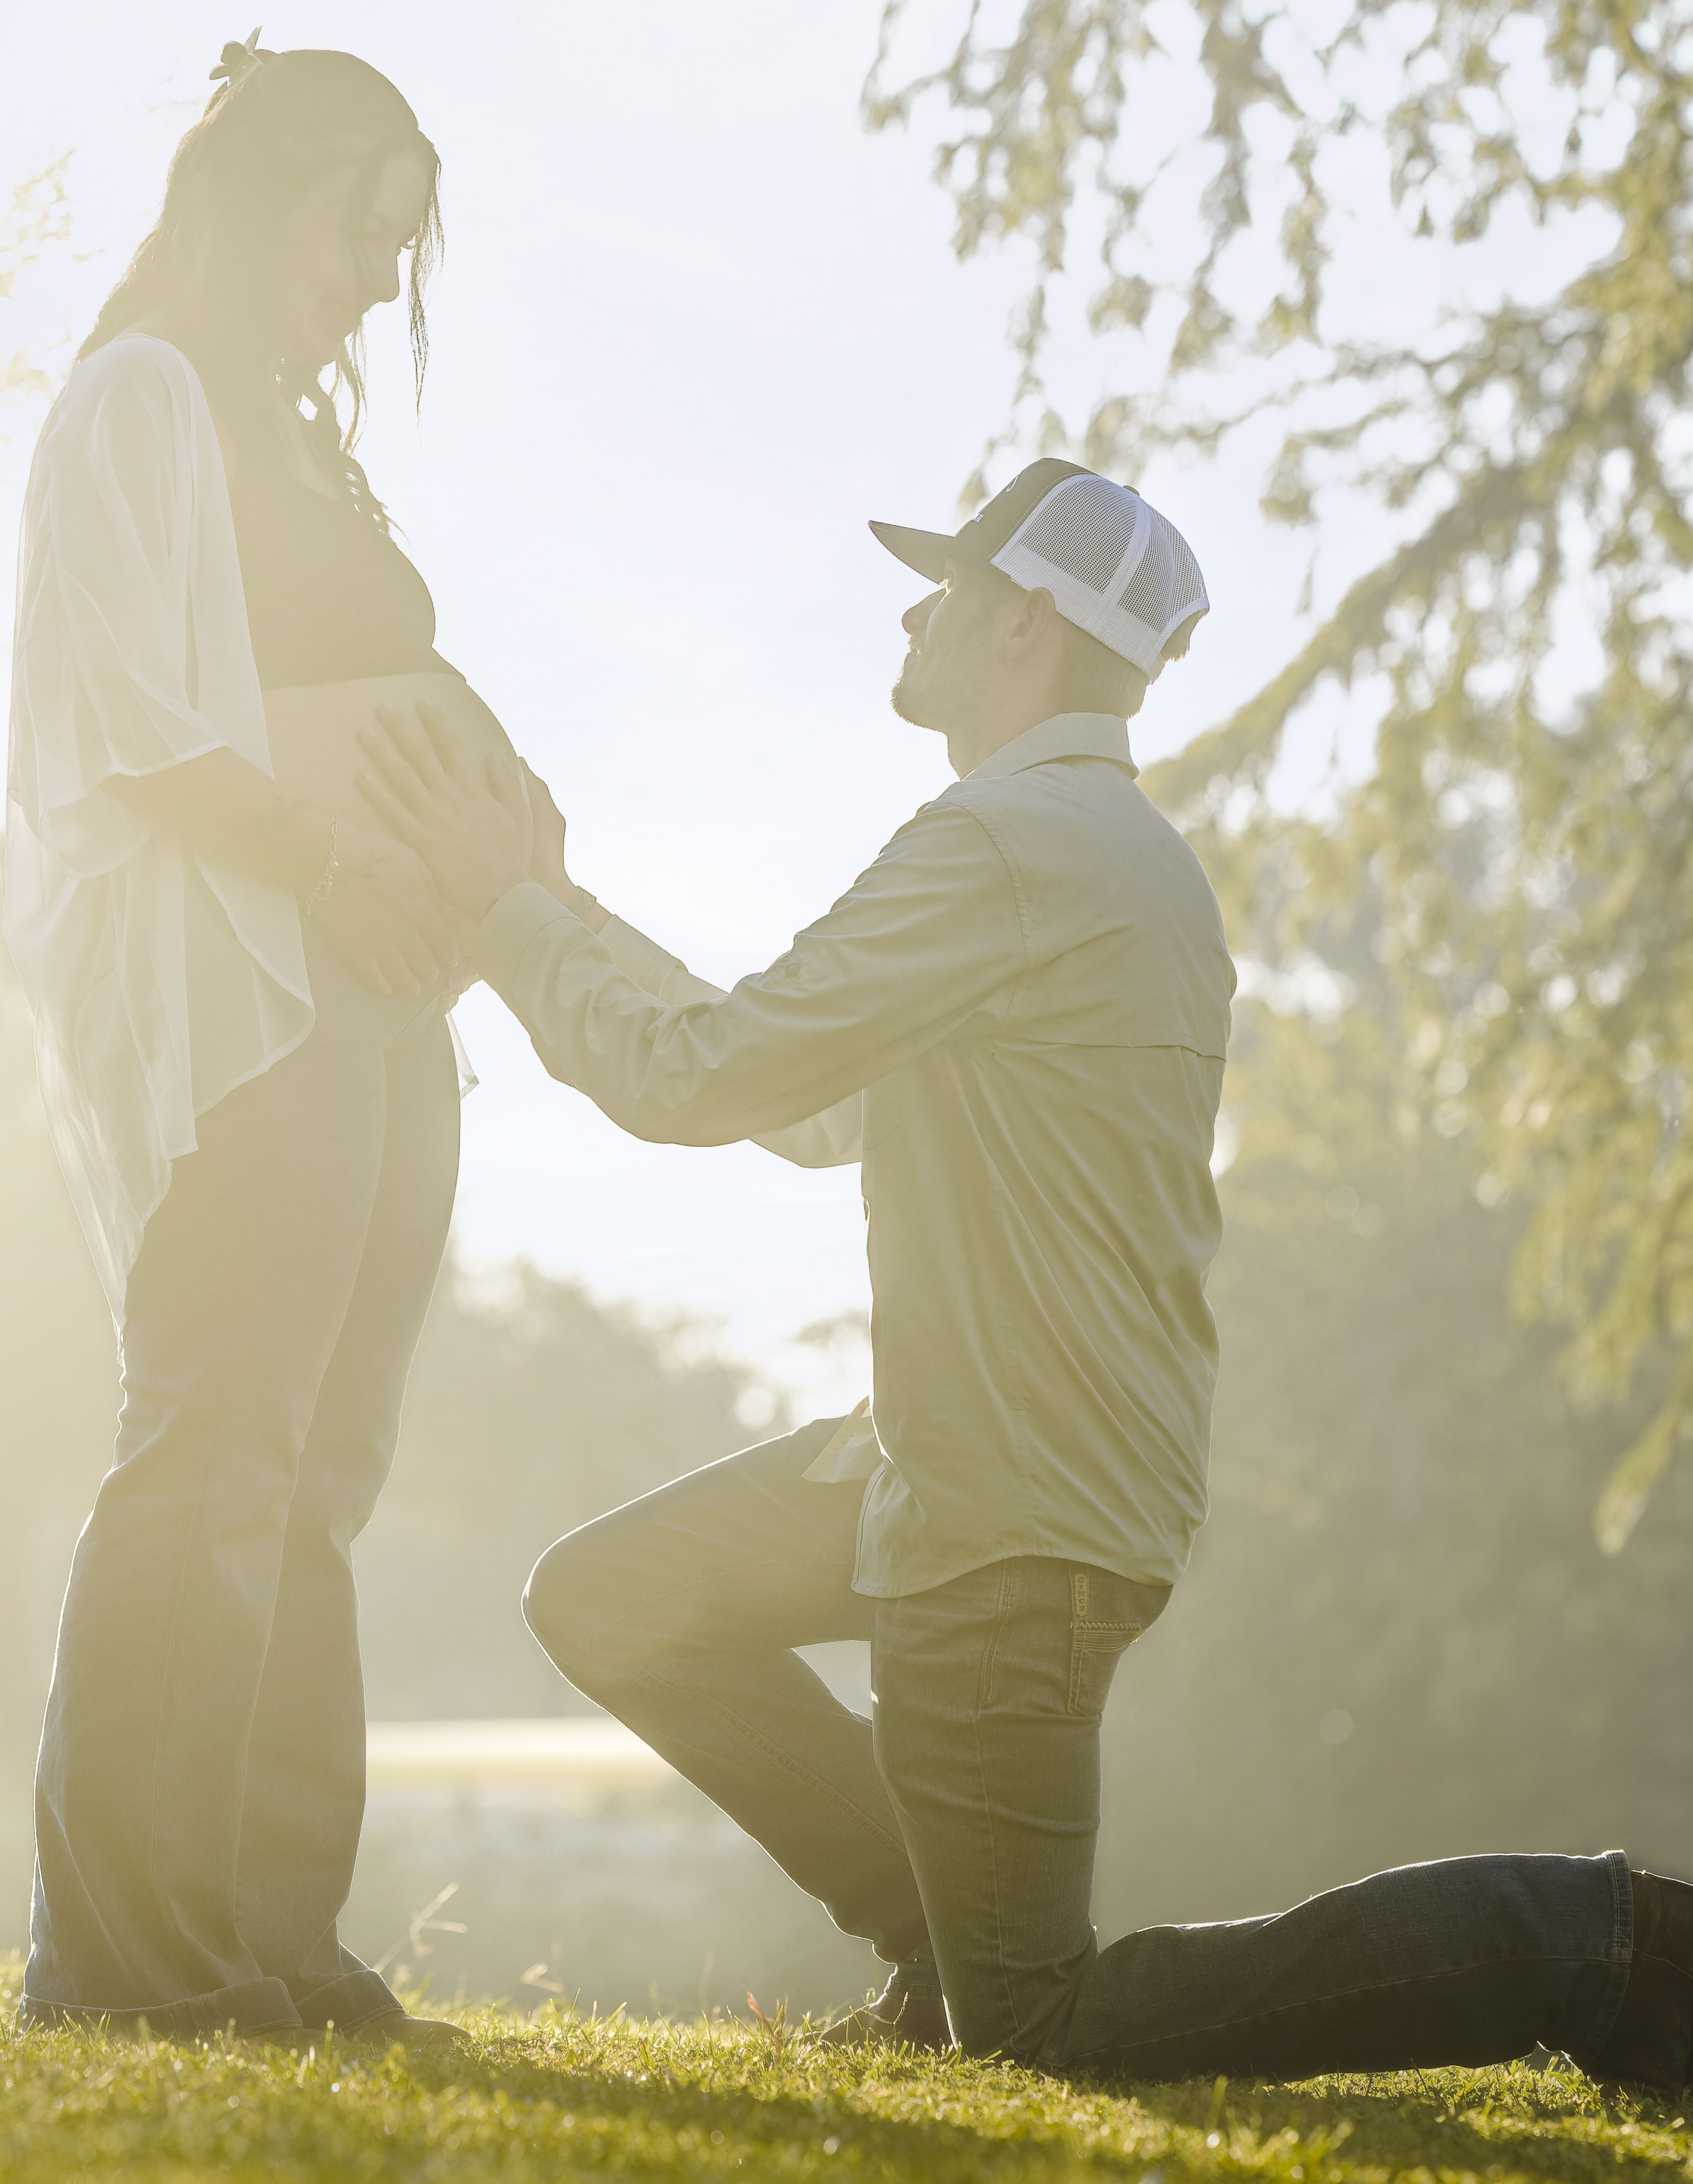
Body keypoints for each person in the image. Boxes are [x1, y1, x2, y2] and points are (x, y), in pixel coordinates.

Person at [358, 458, 1693, 2094]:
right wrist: (555, 907)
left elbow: (693, 1079)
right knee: (611, 1596)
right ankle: (934, 1947)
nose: (916, 611)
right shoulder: (1109, 854)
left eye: (950, 584)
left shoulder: (1003, 846)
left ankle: (1590, 1944)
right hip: (972, 1467)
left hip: (1008, 1522)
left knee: (1042, 2029)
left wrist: (501, 914)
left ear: (1026, 626)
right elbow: (811, 1105)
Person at [2, 37, 477, 2047]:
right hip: (251, 980)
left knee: (320, 1467)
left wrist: (491, 826)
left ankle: (280, 1928)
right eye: (358, 225)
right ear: (250, 197)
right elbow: (126, 706)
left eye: (400, 240)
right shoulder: (142, 402)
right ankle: (124, 1951)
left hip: (381, 985)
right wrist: (330, 863)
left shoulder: (298, 440)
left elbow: (382, 673)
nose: (379, 277)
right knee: (212, 1442)